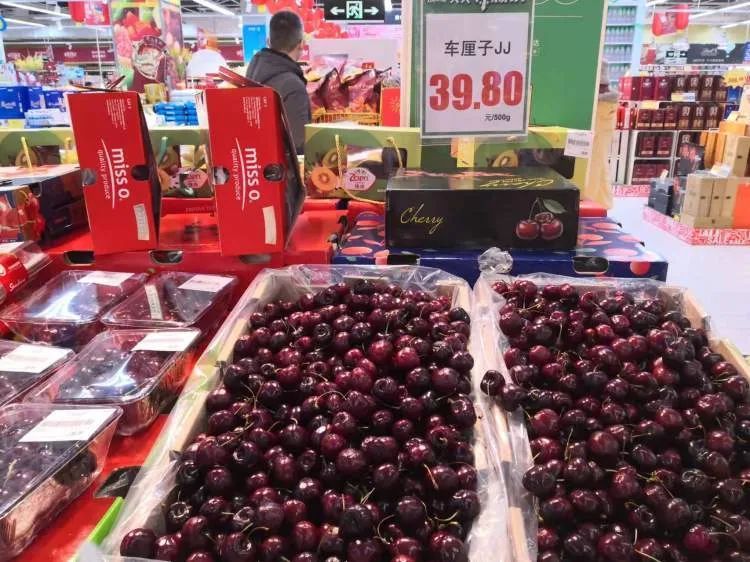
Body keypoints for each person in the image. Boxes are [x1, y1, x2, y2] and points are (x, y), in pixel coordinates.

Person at [247, 10, 310, 154]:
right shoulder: (293, 85)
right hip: (282, 166)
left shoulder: (253, 73)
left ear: (269, 42)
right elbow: (299, 145)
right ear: (301, 44)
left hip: (255, 159)